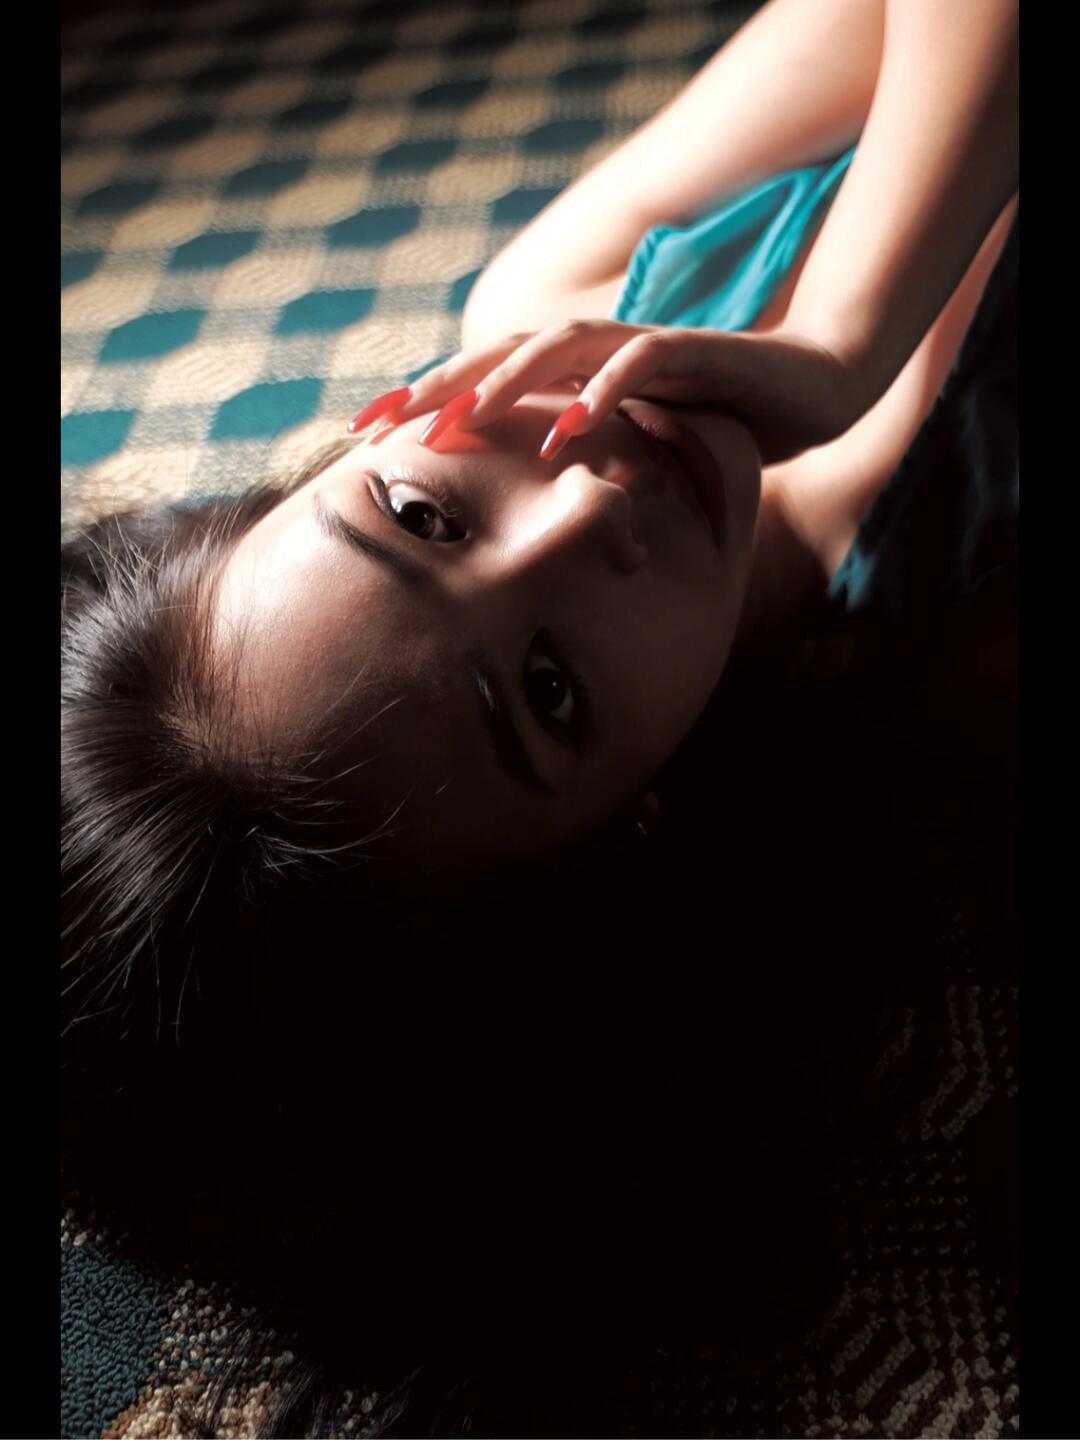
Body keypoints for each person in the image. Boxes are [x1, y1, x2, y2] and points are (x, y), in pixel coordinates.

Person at [60, 0, 1018, 1432]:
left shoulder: (554, 293)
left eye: (418, 514)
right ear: (632, 832)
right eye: (550, 693)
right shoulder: (963, 628)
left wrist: (845, 334)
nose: (588, 503)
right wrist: (837, 350)